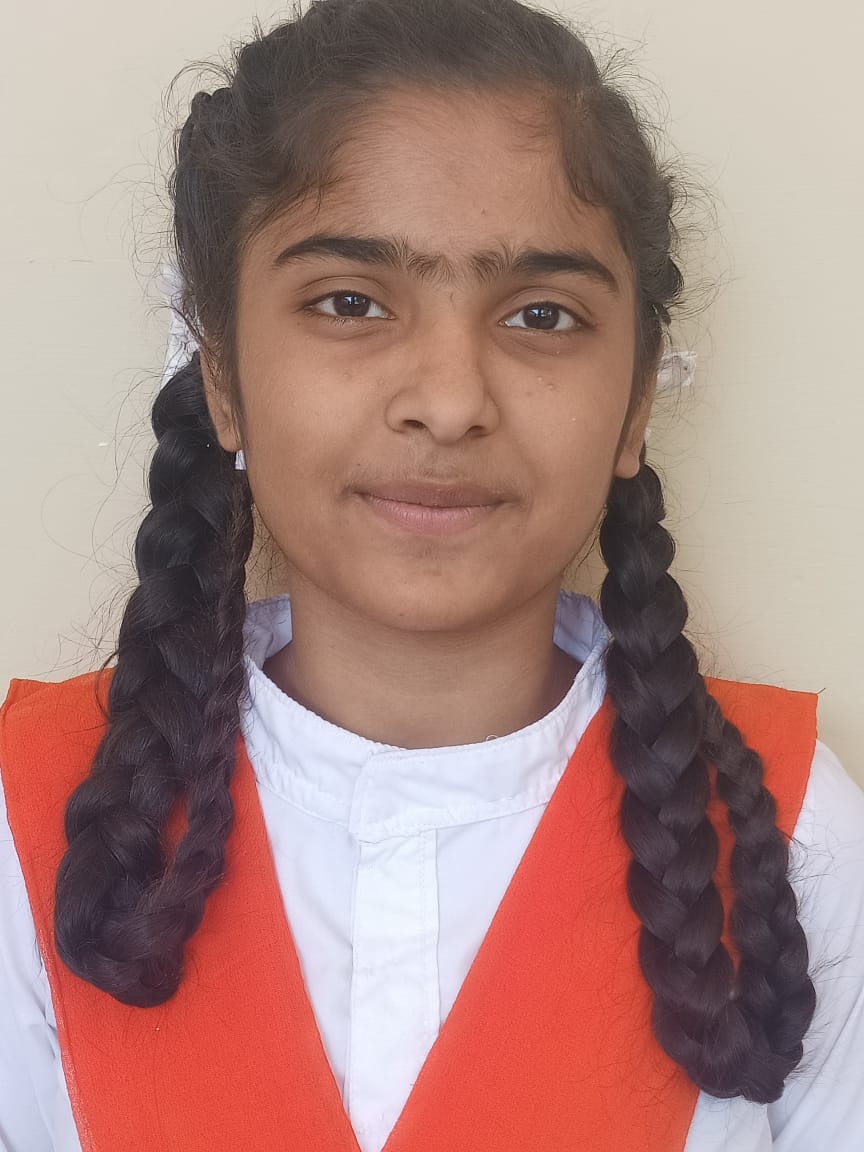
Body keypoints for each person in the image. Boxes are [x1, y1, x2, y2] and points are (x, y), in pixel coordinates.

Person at [1, 1, 862, 1149]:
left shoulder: (786, 838)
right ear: (222, 376)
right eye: (349, 303)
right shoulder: (31, 821)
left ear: (636, 401)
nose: (450, 402)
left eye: (543, 315)